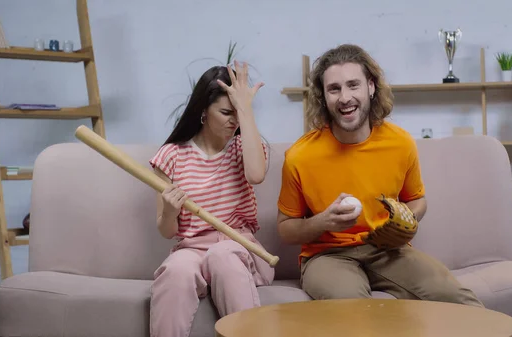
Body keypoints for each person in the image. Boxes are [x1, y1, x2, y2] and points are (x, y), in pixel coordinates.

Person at [276, 44, 483, 307]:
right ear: (323, 97)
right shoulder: (300, 156)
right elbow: (285, 229)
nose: (344, 97)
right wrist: (323, 222)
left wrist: (407, 217)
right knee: (358, 312)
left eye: (353, 85)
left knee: (460, 301)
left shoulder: (400, 143)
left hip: (389, 250)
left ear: (371, 87)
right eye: (334, 89)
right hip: (327, 256)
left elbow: (418, 200)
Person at [149, 61, 274, 337]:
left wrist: (245, 108)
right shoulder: (171, 156)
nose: (235, 121)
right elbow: (167, 231)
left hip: (239, 245)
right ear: (203, 111)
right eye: (227, 112)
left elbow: (255, 175)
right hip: (191, 248)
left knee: (222, 255)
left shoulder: (244, 145)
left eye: (238, 112)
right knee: (176, 271)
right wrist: (170, 211)